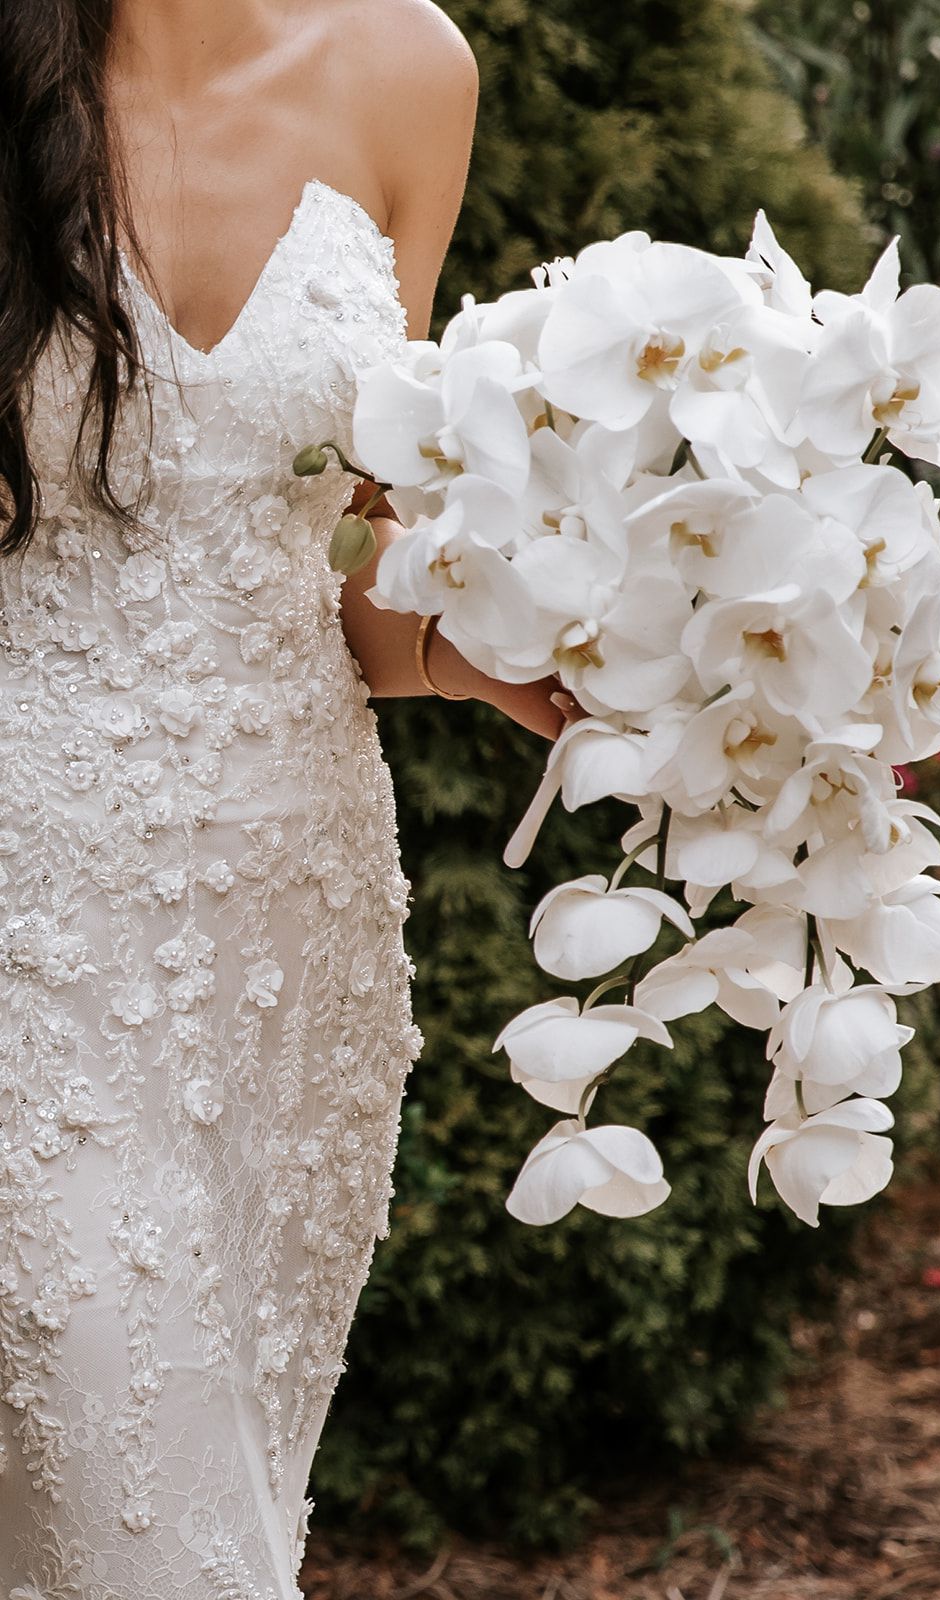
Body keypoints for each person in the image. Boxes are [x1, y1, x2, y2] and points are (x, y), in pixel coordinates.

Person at [0, 2, 577, 1593]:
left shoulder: (414, 71)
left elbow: (354, 580)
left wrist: (529, 650)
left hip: (290, 953)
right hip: (27, 917)